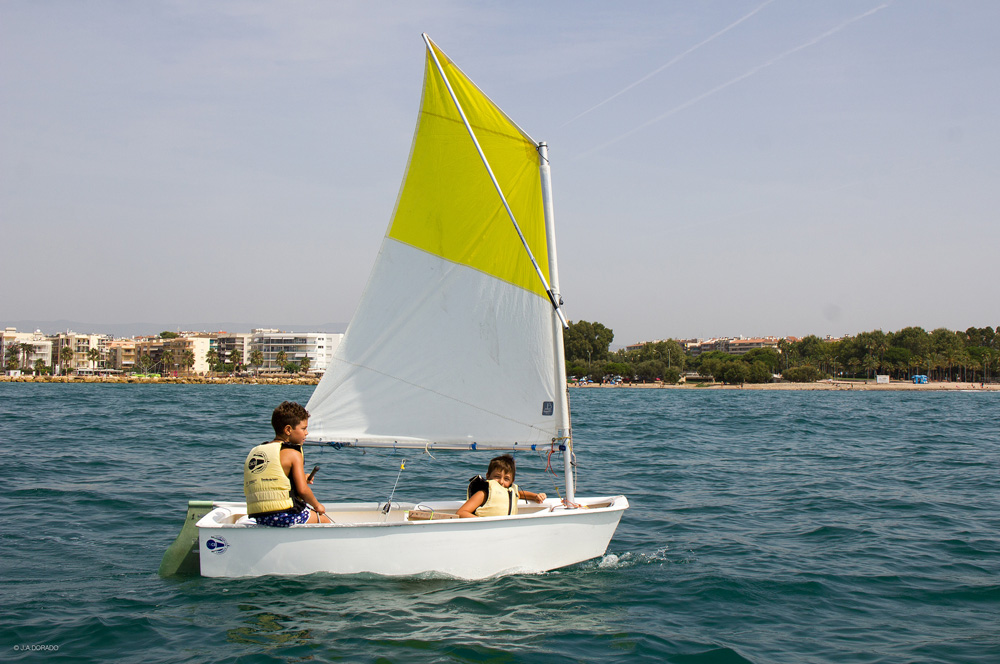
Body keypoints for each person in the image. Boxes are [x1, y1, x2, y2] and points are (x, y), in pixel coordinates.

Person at [243, 401, 331, 526]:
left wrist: (302, 478)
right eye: (304, 428)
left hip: (260, 517)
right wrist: (317, 506)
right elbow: (303, 490)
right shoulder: (293, 454)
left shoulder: (257, 451)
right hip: (283, 516)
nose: (307, 433)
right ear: (288, 430)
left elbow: (274, 480)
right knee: (323, 520)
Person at [457, 454, 547, 518]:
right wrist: (483, 523)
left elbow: (520, 494)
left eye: (506, 479)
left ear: (512, 481)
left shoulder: (511, 492)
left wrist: (535, 496)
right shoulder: (483, 494)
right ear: (488, 476)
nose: (501, 482)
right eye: (497, 476)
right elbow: (461, 512)